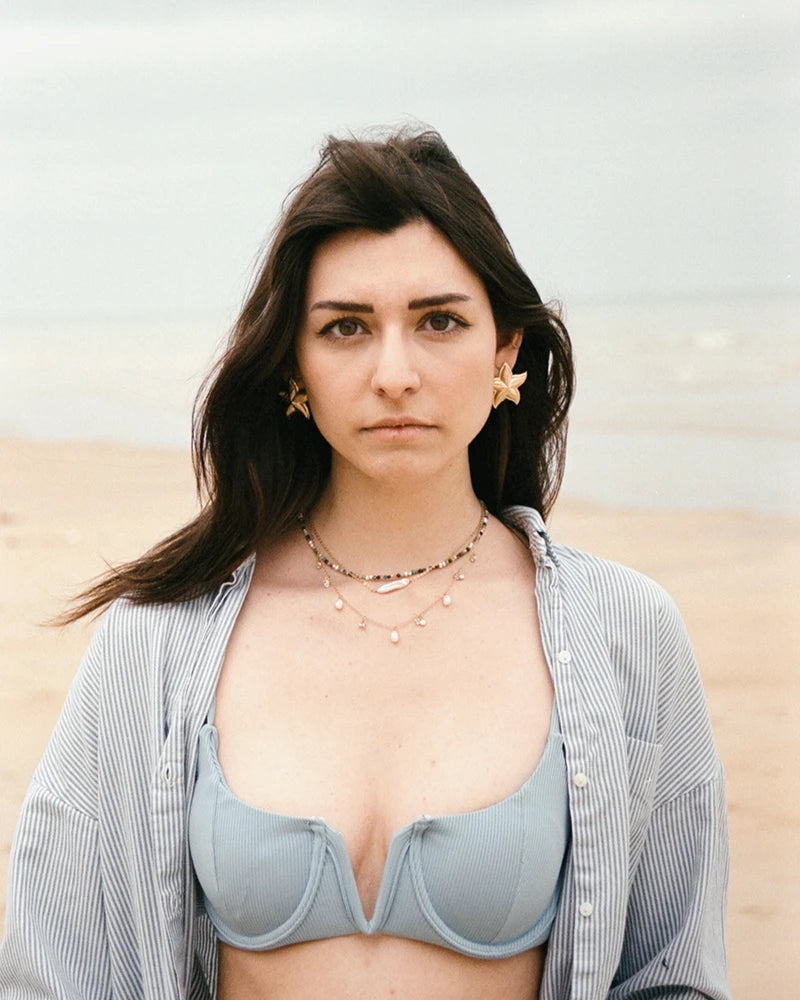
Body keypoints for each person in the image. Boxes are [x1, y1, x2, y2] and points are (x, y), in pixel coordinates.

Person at [0, 128, 730, 1000]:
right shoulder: (156, 642)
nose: (395, 373)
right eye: (346, 327)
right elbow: (53, 971)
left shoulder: (627, 634)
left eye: (440, 322)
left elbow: (671, 976)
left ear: (505, 351)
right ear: (293, 364)